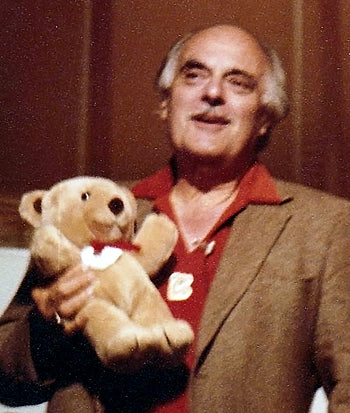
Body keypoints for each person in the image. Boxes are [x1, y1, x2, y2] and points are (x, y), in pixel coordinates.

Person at [0, 23, 349, 413]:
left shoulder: (327, 228)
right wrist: (45, 327)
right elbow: (5, 381)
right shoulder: (89, 210)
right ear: (166, 102)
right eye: (194, 75)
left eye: (238, 83)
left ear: (265, 118)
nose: (212, 94)